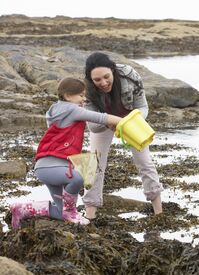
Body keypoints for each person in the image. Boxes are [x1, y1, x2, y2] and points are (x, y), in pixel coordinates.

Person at [10, 77, 122, 229]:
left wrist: (110, 125)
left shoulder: (56, 110)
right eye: (81, 95)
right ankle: (71, 210)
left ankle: (22, 209)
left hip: (47, 168)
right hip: (53, 167)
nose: (84, 99)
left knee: (60, 211)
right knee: (78, 177)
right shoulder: (71, 109)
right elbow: (101, 117)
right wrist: (123, 121)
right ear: (68, 96)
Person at [82, 52, 163, 219]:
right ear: (91, 80)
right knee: (94, 165)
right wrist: (112, 122)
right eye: (97, 80)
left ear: (113, 70)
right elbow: (92, 125)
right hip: (104, 123)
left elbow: (143, 107)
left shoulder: (130, 75)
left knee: (145, 162)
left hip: (131, 122)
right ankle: (89, 215)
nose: (103, 83)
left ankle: (159, 212)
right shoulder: (87, 90)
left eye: (106, 77)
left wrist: (129, 122)